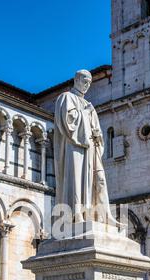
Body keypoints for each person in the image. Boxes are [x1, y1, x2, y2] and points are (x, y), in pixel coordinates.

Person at [54, 69, 112, 224]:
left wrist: (98, 135)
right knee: (76, 178)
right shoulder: (66, 97)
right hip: (75, 145)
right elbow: (68, 122)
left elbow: (96, 127)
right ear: (76, 80)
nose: (87, 85)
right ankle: (76, 213)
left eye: (89, 83)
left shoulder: (88, 105)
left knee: (97, 179)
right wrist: (85, 114)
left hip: (90, 148)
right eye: (84, 81)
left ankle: (99, 215)